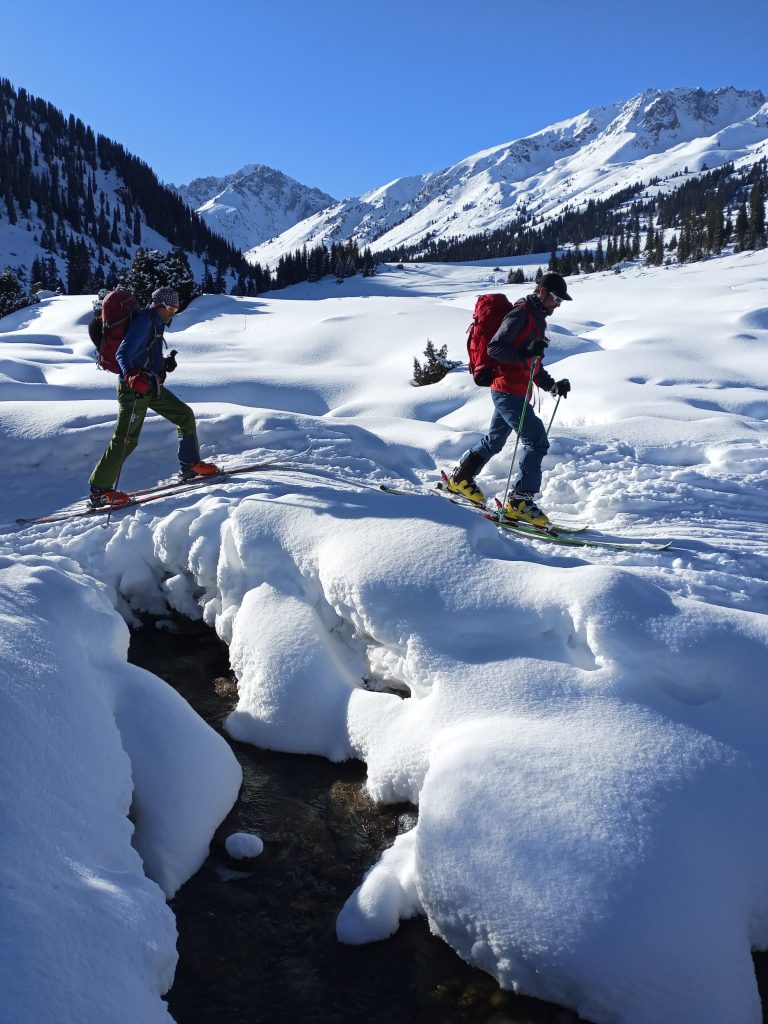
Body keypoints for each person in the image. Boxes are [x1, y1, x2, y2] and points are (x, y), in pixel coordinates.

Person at [447, 271, 572, 527]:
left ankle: (461, 477)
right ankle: (520, 502)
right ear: (543, 292)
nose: (557, 305)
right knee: (536, 441)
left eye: (561, 301)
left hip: (515, 390)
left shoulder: (539, 320)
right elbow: (495, 348)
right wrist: (525, 351)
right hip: (506, 390)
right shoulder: (520, 314)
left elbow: (533, 363)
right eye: (556, 299)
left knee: (494, 441)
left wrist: (552, 385)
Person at [88, 286, 219, 508]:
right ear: (160, 306)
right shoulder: (145, 321)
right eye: (171, 308)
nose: (173, 313)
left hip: (150, 386)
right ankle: (100, 490)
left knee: (184, 415)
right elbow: (123, 353)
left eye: (176, 309)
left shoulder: (155, 323)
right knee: (126, 439)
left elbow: (144, 351)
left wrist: (163, 363)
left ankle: (190, 465)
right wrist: (131, 376)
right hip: (134, 391)